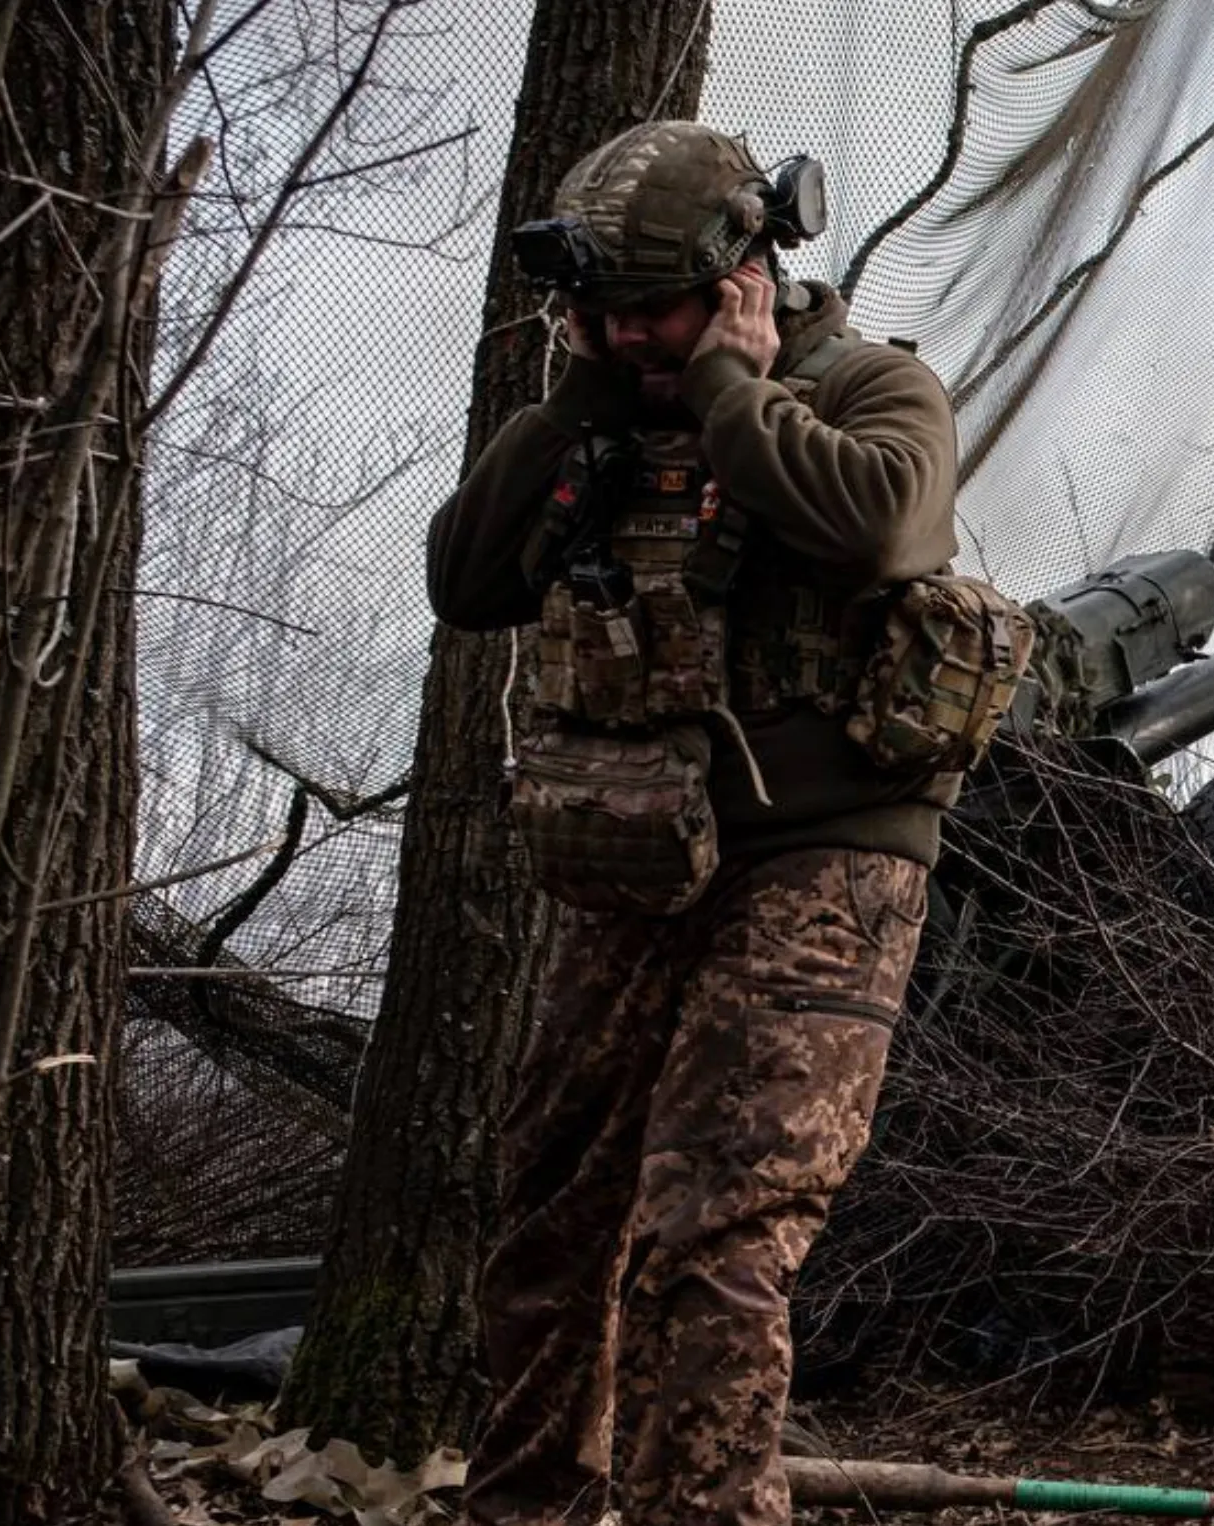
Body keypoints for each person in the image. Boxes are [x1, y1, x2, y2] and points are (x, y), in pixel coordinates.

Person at [424, 120, 1026, 1526]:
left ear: (748, 271)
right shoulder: (597, 412)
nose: (635, 333)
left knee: (717, 1236)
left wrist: (728, 388)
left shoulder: (872, 388)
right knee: (551, 1217)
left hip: (824, 860)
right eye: (606, 311)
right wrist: (578, 397)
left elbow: (880, 525)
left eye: (661, 306)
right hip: (634, 858)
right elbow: (467, 578)